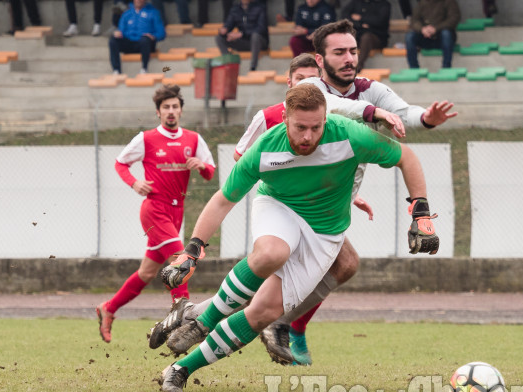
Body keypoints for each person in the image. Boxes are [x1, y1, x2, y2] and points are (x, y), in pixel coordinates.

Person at [149, 19, 456, 366]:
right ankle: (248, 321)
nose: (349, 58)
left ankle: (236, 317)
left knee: (345, 266)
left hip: (330, 204)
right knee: (278, 258)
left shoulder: (371, 91)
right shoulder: (299, 102)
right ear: (319, 61)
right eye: (339, 52)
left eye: (353, 51)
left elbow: (404, 118)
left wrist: (427, 118)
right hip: (282, 200)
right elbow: (243, 162)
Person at [156, 83, 438, 392]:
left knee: (263, 313)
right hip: (279, 207)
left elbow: (406, 158)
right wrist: (192, 249)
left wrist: (421, 213)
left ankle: (180, 369)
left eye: (316, 128)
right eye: (300, 127)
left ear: (325, 119)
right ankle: (201, 323)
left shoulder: (348, 135)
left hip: (326, 233)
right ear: (286, 118)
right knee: (271, 253)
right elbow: (223, 200)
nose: (307, 136)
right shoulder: (265, 148)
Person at [96, 85, 216, 343]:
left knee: (147, 273)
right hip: (155, 209)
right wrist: (134, 182)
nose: (171, 111)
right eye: (166, 108)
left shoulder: (193, 139)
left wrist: (202, 165)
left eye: (175, 107)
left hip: (177, 211)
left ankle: (109, 308)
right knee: (179, 258)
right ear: (158, 112)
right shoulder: (147, 138)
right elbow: (120, 163)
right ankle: (181, 312)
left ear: (181, 110)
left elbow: (210, 172)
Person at [108, 0, 166, 75]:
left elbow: (162, 33)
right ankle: (116, 70)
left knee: (145, 39)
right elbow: (121, 30)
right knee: (113, 40)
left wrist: (153, 36)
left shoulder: (153, 12)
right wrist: (118, 33)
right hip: (130, 43)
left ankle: (144, 68)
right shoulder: (127, 14)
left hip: (146, 44)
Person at [215, 0, 269, 71]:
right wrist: (225, 30)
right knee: (219, 38)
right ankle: (229, 62)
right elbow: (229, 23)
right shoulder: (235, 9)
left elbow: (261, 28)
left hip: (260, 42)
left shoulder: (260, 8)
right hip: (244, 42)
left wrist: (242, 34)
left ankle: (253, 67)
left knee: (255, 36)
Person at [405, 0, 461, 69]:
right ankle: (414, 68)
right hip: (425, 36)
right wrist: (422, 29)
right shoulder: (422, 2)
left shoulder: (449, 2)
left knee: (446, 34)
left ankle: (446, 67)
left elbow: (454, 18)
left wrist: (436, 29)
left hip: (442, 36)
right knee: (410, 36)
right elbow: (414, 20)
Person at [342, 0, 392, 73]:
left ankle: (357, 66)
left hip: (377, 37)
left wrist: (361, 18)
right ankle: (343, 64)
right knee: (348, 36)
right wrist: (361, 25)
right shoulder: (355, 2)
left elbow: (380, 21)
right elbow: (344, 17)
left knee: (366, 38)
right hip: (358, 34)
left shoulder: (384, 4)